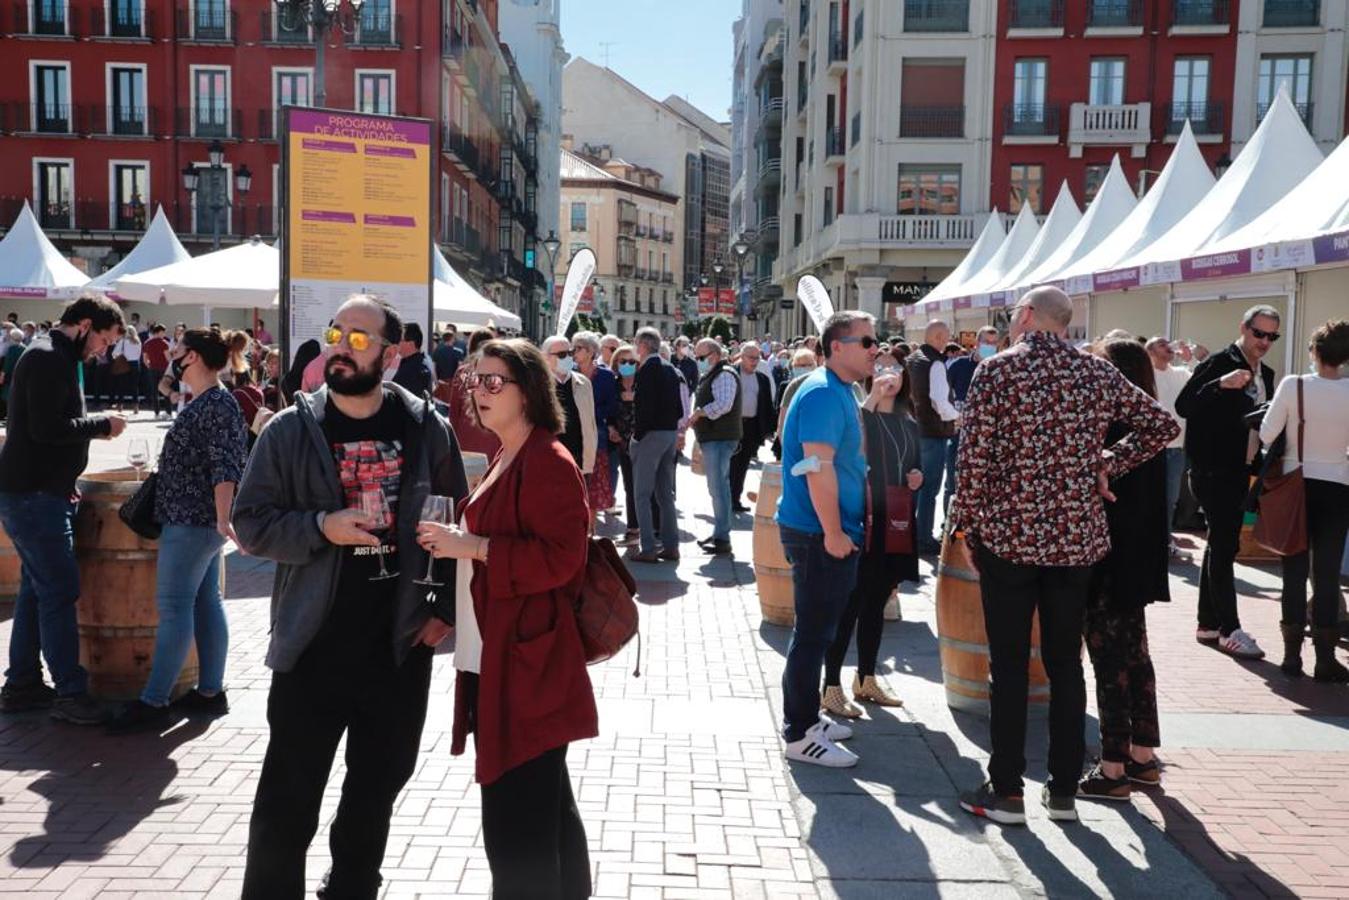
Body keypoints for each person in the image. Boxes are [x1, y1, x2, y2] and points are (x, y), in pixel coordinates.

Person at [234, 296, 467, 898]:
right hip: (313, 643)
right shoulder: (291, 429)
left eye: (360, 339)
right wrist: (320, 528)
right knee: (288, 797)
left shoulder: (426, 428)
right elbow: (252, 522)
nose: (341, 346)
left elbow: (457, 525)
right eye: (337, 332)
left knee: (376, 787)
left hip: (397, 647)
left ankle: (353, 886)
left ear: (391, 355)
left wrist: (440, 614)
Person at [951, 287, 1176, 825]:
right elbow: (1162, 427)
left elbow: (973, 461)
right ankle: (1062, 791)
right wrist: (1107, 463)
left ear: (1027, 317)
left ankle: (1006, 789)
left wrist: (967, 523)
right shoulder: (1095, 374)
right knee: (1064, 666)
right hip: (1075, 542)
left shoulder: (998, 372)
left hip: (1010, 537)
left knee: (1008, 666)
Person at [416, 338, 597, 898]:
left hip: (529, 664)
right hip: (505, 654)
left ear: (529, 392)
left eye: (495, 382)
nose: (479, 391)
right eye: (475, 380)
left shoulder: (547, 458)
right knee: (542, 804)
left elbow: (565, 558)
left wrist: (473, 547)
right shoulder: (508, 452)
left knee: (517, 817)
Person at [108, 329, 249, 732]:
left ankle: (154, 702)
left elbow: (226, 467)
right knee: (205, 601)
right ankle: (209, 691)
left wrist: (224, 518)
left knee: (174, 608)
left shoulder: (217, 404)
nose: (172, 355)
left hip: (193, 522)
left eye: (179, 351)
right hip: (195, 521)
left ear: (197, 358)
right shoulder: (210, 401)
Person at [0, 296, 127, 724]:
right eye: (104, 340)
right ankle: (69, 693)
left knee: (39, 590)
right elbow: (47, 428)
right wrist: (102, 426)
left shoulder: (52, 355)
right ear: (85, 324)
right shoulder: (49, 358)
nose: (103, 351)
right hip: (34, 496)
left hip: (39, 492)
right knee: (58, 590)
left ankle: (21, 683)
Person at [775, 310, 878, 768]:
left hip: (827, 531)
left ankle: (809, 717)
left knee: (819, 631)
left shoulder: (841, 390)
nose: (876, 348)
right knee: (813, 635)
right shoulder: (821, 393)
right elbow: (817, 468)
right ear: (838, 346)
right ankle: (799, 732)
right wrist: (834, 532)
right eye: (868, 341)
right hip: (818, 533)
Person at [1077, 339, 1170, 800]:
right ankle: (1142, 755)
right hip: (1138, 557)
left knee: (1109, 659)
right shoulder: (1145, 421)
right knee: (1135, 655)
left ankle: (1113, 766)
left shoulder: (1113, 427)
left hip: (1107, 557)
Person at [1175, 305, 1279, 659]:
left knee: (1221, 546)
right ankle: (1228, 628)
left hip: (1241, 468)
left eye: (1271, 336)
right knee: (1223, 548)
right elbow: (1184, 404)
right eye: (1259, 333)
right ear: (1244, 328)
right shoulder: (1220, 362)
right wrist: (1219, 384)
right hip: (1211, 470)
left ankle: (1208, 623)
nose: (1264, 342)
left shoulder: (1267, 372)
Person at [820, 357, 921, 718]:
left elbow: (916, 463)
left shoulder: (907, 421)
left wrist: (916, 477)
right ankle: (830, 684)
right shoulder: (862, 415)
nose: (888, 372)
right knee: (849, 604)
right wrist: (873, 398)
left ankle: (865, 678)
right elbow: (855, 443)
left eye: (895, 365)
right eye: (880, 366)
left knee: (876, 602)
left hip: (893, 520)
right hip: (862, 518)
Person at [1260, 320, 1349, 682]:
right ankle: (1325, 658)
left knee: (1293, 573)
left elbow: (1267, 432)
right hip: (1338, 484)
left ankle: (1291, 655)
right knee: (1326, 575)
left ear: (1314, 350)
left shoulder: (1293, 385)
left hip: (1296, 483)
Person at [627, 327, 683, 563]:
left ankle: (648, 548)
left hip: (651, 435)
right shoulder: (670, 368)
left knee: (641, 494)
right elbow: (679, 407)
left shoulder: (647, 369)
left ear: (642, 345)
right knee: (664, 494)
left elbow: (644, 409)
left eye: (635, 343)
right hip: (669, 433)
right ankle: (671, 546)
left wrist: (637, 437)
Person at [907, 320, 960, 554]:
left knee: (915, 486)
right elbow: (939, 401)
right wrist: (958, 417)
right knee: (929, 488)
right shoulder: (935, 363)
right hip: (932, 431)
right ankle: (923, 538)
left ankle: (911, 533)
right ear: (938, 337)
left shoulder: (913, 359)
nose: (948, 339)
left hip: (913, 430)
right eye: (947, 335)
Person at [687, 338, 741, 555]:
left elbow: (724, 404)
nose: (698, 361)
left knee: (718, 488)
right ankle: (720, 533)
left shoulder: (724, 374)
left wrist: (700, 412)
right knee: (717, 488)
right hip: (713, 438)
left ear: (715, 355)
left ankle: (722, 537)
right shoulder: (713, 374)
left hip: (720, 438)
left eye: (701, 357)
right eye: (696, 357)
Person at [1145, 337, 1193, 557]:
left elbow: (1198, 386)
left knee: (1170, 499)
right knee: (1151, 497)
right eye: (1162, 344)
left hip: (1176, 447)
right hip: (1151, 446)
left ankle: (1164, 542)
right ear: (1151, 352)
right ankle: (1153, 543)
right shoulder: (1146, 376)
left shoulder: (1180, 374)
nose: (1169, 347)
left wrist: (1191, 360)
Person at [573, 331, 617, 524]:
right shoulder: (569, 373)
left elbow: (612, 404)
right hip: (573, 432)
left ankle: (591, 526)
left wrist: (590, 412)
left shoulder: (606, 376)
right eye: (573, 347)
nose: (574, 352)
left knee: (594, 478)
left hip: (597, 432)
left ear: (591, 351)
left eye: (578, 348)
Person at [540, 335, 596, 480]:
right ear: (545, 358)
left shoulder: (583, 383)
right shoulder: (538, 385)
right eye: (561, 355)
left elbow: (590, 422)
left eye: (570, 353)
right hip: (550, 460)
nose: (567, 358)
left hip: (580, 460)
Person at [729, 342, 776, 513]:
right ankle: (724, 499)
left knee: (742, 465)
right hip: (731, 427)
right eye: (751, 358)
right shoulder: (730, 374)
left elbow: (767, 406)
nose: (755, 361)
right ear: (741, 357)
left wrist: (769, 430)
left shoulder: (761, 379)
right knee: (728, 464)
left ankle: (735, 499)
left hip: (751, 428)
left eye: (758, 358)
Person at [446, 327, 502, 458]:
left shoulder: (463, 372)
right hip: (492, 434)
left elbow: (454, 410)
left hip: (465, 434)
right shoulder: (499, 373)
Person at [609, 343, 641, 545]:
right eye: (623, 361)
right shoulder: (613, 384)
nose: (628, 365)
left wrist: (636, 398)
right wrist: (611, 428)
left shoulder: (644, 384)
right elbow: (608, 410)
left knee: (645, 487)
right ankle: (632, 529)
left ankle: (650, 529)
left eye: (632, 361)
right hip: (621, 442)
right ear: (616, 363)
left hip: (642, 442)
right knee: (630, 486)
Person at [392, 322, 435, 397]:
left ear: (411, 344)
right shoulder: (412, 362)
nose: (396, 343)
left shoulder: (416, 369)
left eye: (400, 340)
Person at [142, 324, 171, 417]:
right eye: (163, 332)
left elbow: (144, 359)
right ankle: (168, 412)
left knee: (154, 392)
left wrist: (149, 366)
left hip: (152, 369)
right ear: (159, 332)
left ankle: (156, 413)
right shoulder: (164, 343)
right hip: (164, 369)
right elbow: (168, 358)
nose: (164, 334)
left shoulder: (146, 343)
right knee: (166, 390)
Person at [111, 327, 142, 413]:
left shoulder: (123, 341)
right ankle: (136, 407)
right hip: (136, 364)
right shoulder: (138, 341)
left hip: (125, 364)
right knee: (135, 386)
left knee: (122, 386)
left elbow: (114, 353)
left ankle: (120, 405)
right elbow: (139, 354)